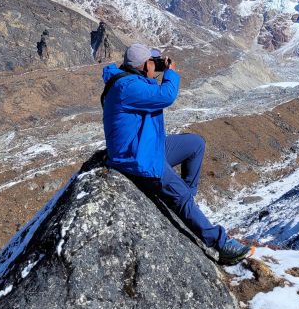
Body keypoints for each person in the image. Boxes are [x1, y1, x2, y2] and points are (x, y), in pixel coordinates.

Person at [101, 42, 254, 266]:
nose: (158, 65)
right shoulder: (127, 87)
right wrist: (170, 73)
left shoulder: (130, 81)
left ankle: (186, 196)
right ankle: (220, 244)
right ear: (145, 65)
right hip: (138, 158)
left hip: (150, 146)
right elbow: (166, 96)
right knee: (180, 197)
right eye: (154, 62)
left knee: (195, 144)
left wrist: (156, 73)